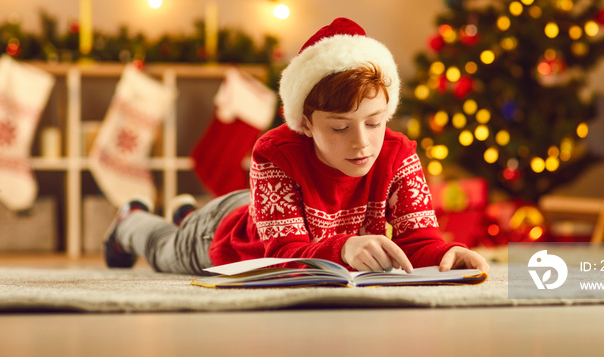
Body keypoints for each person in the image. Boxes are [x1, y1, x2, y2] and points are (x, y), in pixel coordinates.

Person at [104, 17, 490, 276]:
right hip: (227, 234)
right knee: (163, 251)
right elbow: (284, 253)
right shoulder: (274, 152)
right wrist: (343, 249)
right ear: (305, 122)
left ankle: (186, 211)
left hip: (267, 211)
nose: (362, 143)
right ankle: (132, 220)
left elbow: (417, 240)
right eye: (340, 127)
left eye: (374, 123)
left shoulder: (398, 154)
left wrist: (443, 256)